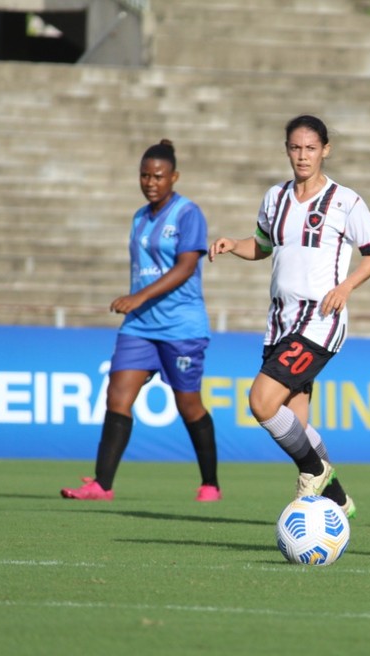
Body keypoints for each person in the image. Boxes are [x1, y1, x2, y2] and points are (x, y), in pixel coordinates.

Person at [208, 115, 370, 518]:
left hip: (319, 321)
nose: (302, 156)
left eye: (310, 148)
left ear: (325, 150)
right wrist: (233, 244)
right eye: (295, 147)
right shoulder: (275, 197)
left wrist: (346, 288)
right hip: (281, 322)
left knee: (261, 401)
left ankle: (315, 470)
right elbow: (263, 246)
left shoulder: (346, 201)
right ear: (286, 149)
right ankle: (337, 497)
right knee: (297, 424)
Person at [61, 139, 220, 502]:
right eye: (145, 175)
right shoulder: (138, 216)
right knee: (117, 397)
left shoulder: (188, 214)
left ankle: (210, 483)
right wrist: (138, 304)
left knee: (188, 405)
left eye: (159, 176)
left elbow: (185, 267)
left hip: (180, 326)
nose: (151, 182)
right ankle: (101, 485)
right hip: (140, 326)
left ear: (174, 177)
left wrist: (138, 297)